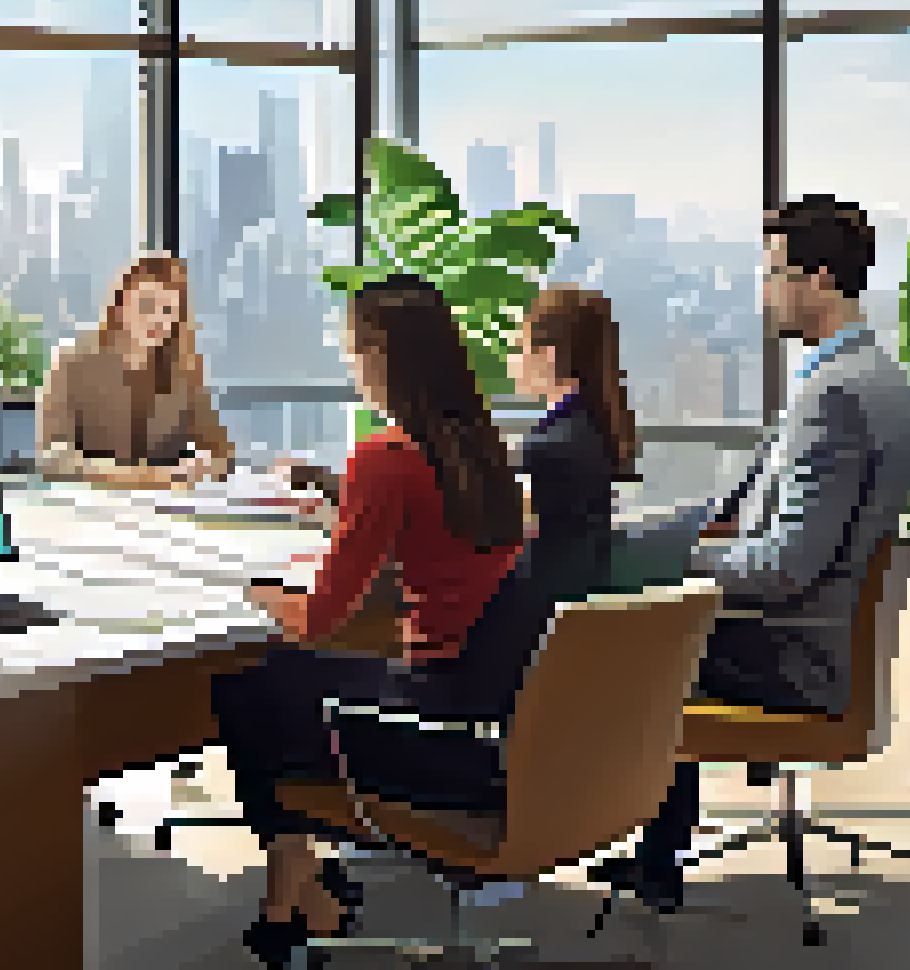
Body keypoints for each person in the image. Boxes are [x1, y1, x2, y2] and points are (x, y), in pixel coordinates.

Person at [597, 196, 910, 912]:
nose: (764, 292)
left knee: (621, 649)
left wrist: (665, 562)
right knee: (653, 628)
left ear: (821, 278)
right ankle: (657, 851)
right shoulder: (869, 374)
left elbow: (783, 566)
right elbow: (751, 507)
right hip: (827, 638)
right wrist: (655, 531)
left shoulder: (834, 395)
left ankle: (618, 850)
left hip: (799, 655)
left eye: (774, 273)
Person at [215, 275, 546, 968]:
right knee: (283, 685)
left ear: (378, 356)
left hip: (436, 730)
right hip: (499, 724)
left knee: (254, 686)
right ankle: (299, 889)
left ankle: (293, 889)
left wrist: (254, 591)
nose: (350, 365)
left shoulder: (385, 457)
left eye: (351, 349)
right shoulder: (481, 448)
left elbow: (318, 619)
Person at [36, 253, 234, 490]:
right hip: (91, 501)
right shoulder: (71, 362)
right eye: (147, 305)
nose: (157, 319)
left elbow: (221, 454)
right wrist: (144, 476)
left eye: (168, 310)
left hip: (166, 504)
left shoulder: (184, 370)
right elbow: (53, 458)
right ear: (120, 306)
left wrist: (203, 466)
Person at [508, 285, 641, 602]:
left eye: (518, 348)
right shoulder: (597, 423)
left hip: (546, 603)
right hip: (588, 592)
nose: (511, 361)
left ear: (548, 355)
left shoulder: (547, 444)